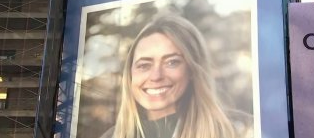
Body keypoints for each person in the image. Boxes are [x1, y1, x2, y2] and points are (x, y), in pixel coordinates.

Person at [101, 14, 236, 138]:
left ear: (192, 70)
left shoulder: (236, 131)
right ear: (130, 74)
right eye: (144, 65)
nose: (156, 76)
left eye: (172, 62)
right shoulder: (111, 136)